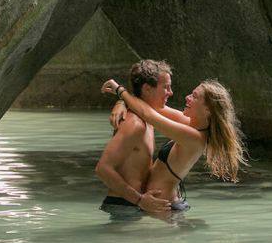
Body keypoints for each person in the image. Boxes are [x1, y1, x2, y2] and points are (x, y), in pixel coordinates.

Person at [101, 76, 247, 213]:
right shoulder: (192, 125)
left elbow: (148, 115)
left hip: (164, 208)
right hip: (161, 207)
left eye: (194, 97)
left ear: (207, 110)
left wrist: (119, 90)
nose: (187, 97)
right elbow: (153, 107)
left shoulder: (195, 138)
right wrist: (121, 102)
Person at [94, 60, 174, 217]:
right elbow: (103, 169)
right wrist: (139, 200)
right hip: (125, 207)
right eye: (165, 87)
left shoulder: (147, 119)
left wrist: (121, 100)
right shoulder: (135, 124)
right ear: (147, 89)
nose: (170, 92)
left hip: (131, 206)